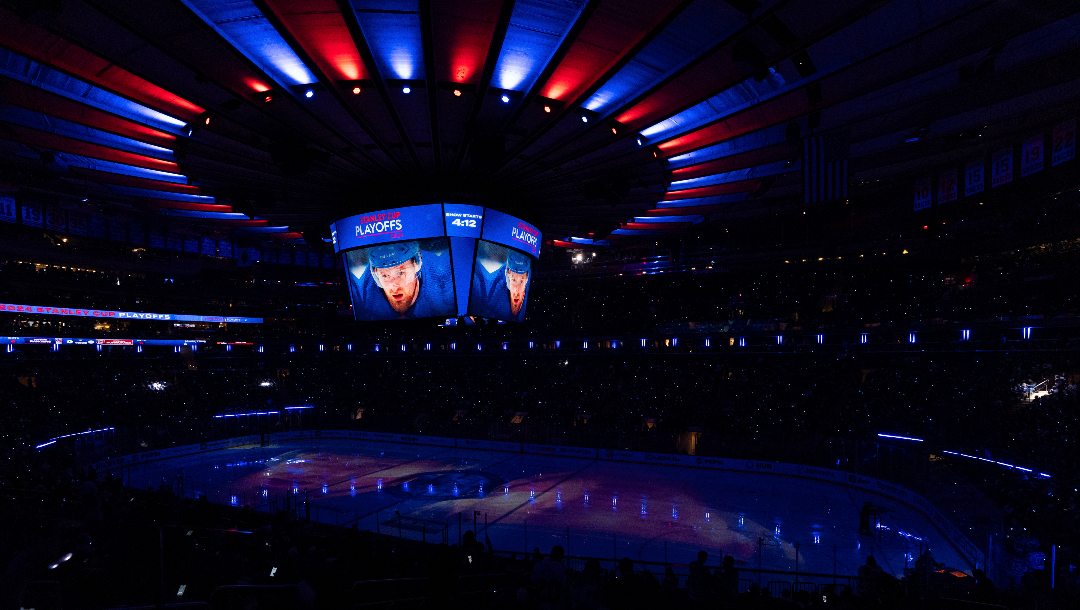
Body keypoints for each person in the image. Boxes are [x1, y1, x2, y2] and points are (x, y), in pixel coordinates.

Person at [347, 240, 454, 320]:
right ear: (376, 274)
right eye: (385, 276)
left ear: (416, 265)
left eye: (400, 273)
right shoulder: (361, 296)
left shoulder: (446, 283)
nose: (394, 285)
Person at [471, 248, 531, 321]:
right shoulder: (493, 290)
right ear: (508, 274)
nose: (516, 289)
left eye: (521, 281)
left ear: (527, 277)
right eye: (514, 280)